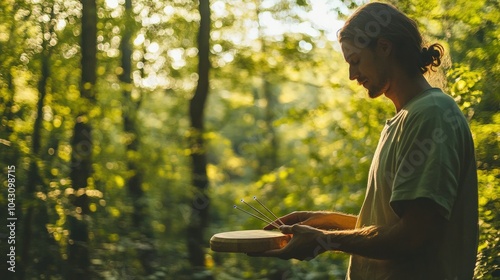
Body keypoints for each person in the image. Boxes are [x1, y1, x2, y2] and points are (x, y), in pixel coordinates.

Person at [251, 2, 478, 279]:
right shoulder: (406, 117)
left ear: (384, 47)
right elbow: (389, 225)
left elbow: (412, 237)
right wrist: (326, 224)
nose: (351, 75)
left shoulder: (431, 115)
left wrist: (324, 240)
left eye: (355, 61)